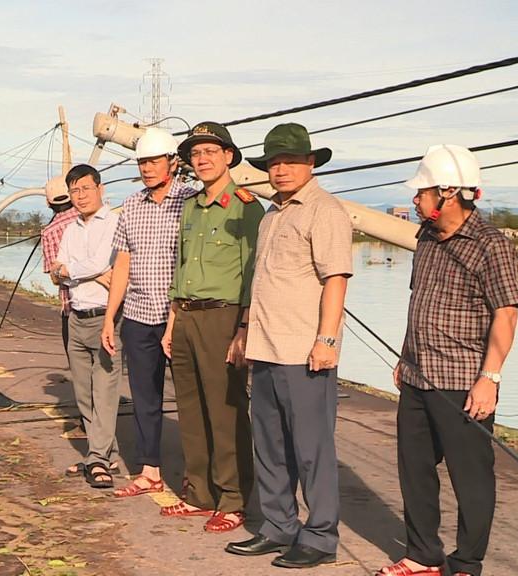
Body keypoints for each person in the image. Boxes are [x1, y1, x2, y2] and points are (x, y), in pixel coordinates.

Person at [378, 145, 518, 576]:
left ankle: (466, 563)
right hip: (418, 376)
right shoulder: (425, 237)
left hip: (463, 382)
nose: (415, 201)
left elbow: (506, 313)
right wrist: (405, 358)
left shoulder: (491, 245)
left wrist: (489, 378)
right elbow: (418, 302)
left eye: (421, 193)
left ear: (448, 193)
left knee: (471, 477)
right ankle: (422, 555)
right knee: (415, 470)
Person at [226, 123, 352, 569]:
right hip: (265, 346)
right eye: (273, 163)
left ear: (310, 163)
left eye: (289, 162)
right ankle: (278, 526)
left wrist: (327, 340)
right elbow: (261, 283)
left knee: (312, 449)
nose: (279, 170)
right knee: (272, 446)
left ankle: (320, 536)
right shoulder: (273, 214)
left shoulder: (326, 211)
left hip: (304, 352)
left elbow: (335, 280)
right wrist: (244, 332)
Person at [160, 121, 263, 533]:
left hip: (223, 316)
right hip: (185, 316)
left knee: (225, 411)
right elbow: (180, 269)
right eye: (195, 154)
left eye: (210, 153)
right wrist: (171, 323)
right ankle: (199, 493)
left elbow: (254, 274)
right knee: (190, 409)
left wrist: (243, 329)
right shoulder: (190, 206)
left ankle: (234, 499)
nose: (201, 160)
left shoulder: (245, 207)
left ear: (229, 157)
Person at [101, 128, 197, 498]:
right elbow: (122, 264)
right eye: (142, 162)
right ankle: (150, 469)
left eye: (154, 161)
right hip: (139, 316)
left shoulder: (191, 202)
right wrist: (111, 317)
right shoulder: (132, 206)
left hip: (180, 317)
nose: (147, 168)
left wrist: (175, 318)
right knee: (144, 398)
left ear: (173, 163)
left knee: (190, 400)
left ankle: (195, 473)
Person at [51, 164, 121, 489]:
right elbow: (57, 270)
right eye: (75, 191)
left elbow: (105, 261)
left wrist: (72, 271)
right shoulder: (71, 229)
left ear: (100, 189)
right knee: (83, 394)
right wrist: (84, 272)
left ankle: (97, 459)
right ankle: (105, 454)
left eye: (86, 189)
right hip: (76, 317)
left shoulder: (115, 222)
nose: (80, 196)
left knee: (104, 390)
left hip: (107, 316)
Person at [40, 175, 80, 363]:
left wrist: (63, 271)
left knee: (79, 369)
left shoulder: (49, 231)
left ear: (48, 203)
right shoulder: (89, 217)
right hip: (105, 307)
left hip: (71, 308)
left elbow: (54, 277)